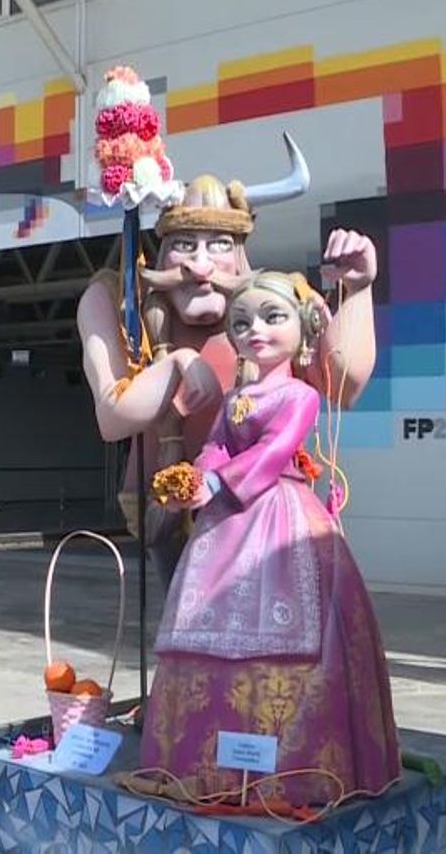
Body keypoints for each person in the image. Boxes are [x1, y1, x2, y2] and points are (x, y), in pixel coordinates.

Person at [134, 272, 398, 805]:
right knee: (202, 621)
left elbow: (275, 451)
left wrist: (217, 483)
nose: (254, 330)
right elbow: (217, 444)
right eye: (241, 322)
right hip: (225, 522)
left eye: (272, 317)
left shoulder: (300, 395)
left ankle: (291, 768)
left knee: (305, 630)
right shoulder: (237, 396)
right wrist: (196, 477)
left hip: (281, 516)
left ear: (302, 328)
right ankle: (207, 764)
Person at [76, 142, 369, 592]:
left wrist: (358, 289)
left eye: (219, 244)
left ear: (240, 254)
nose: (200, 265)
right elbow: (114, 418)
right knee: (189, 617)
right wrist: (180, 362)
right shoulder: (118, 301)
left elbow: (342, 385)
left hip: (263, 511)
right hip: (167, 506)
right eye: (184, 245)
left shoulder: (281, 300)